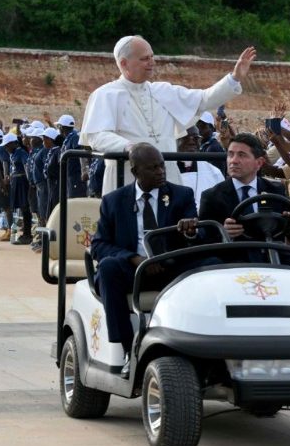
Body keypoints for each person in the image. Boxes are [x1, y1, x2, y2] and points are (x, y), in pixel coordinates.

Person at [90, 143, 213, 377]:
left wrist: (191, 231)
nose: (160, 172)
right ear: (135, 171)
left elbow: (198, 234)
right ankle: (128, 350)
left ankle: (208, 346)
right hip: (133, 271)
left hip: (170, 268)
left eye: (162, 166)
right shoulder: (113, 201)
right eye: (153, 168)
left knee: (212, 264)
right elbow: (99, 245)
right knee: (107, 268)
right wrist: (134, 259)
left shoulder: (181, 195)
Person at [80, 35, 256, 194]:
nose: (152, 62)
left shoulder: (163, 91)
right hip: (126, 178)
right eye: (144, 59)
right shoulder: (106, 95)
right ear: (124, 63)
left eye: (152, 57)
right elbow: (97, 136)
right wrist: (131, 148)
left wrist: (234, 77)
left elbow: (204, 99)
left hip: (166, 175)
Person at [198, 133, 290, 276]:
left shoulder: (275, 190)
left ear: (259, 163)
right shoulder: (212, 196)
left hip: (274, 258)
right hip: (233, 264)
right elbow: (204, 241)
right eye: (230, 155)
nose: (233, 161)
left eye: (242, 155)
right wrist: (223, 234)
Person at [176, 126, 224, 210]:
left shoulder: (214, 172)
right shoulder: (166, 171)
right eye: (185, 137)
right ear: (175, 140)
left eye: (195, 138)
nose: (191, 142)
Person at [1, 133, 32, 245]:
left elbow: (26, 166)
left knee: (25, 208)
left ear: (14, 143)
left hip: (22, 182)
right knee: (22, 208)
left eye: (7, 145)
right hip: (16, 182)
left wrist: (29, 181)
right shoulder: (13, 153)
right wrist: (9, 176)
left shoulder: (21, 152)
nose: (6, 148)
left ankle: (27, 234)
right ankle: (25, 233)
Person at [56, 114, 88, 198]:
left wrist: (84, 171)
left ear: (62, 127)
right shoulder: (69, 138)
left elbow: (81, 153)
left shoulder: (74, 137)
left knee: (74, 202)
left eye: (59, 126)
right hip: (69, 176)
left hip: (75, 177)